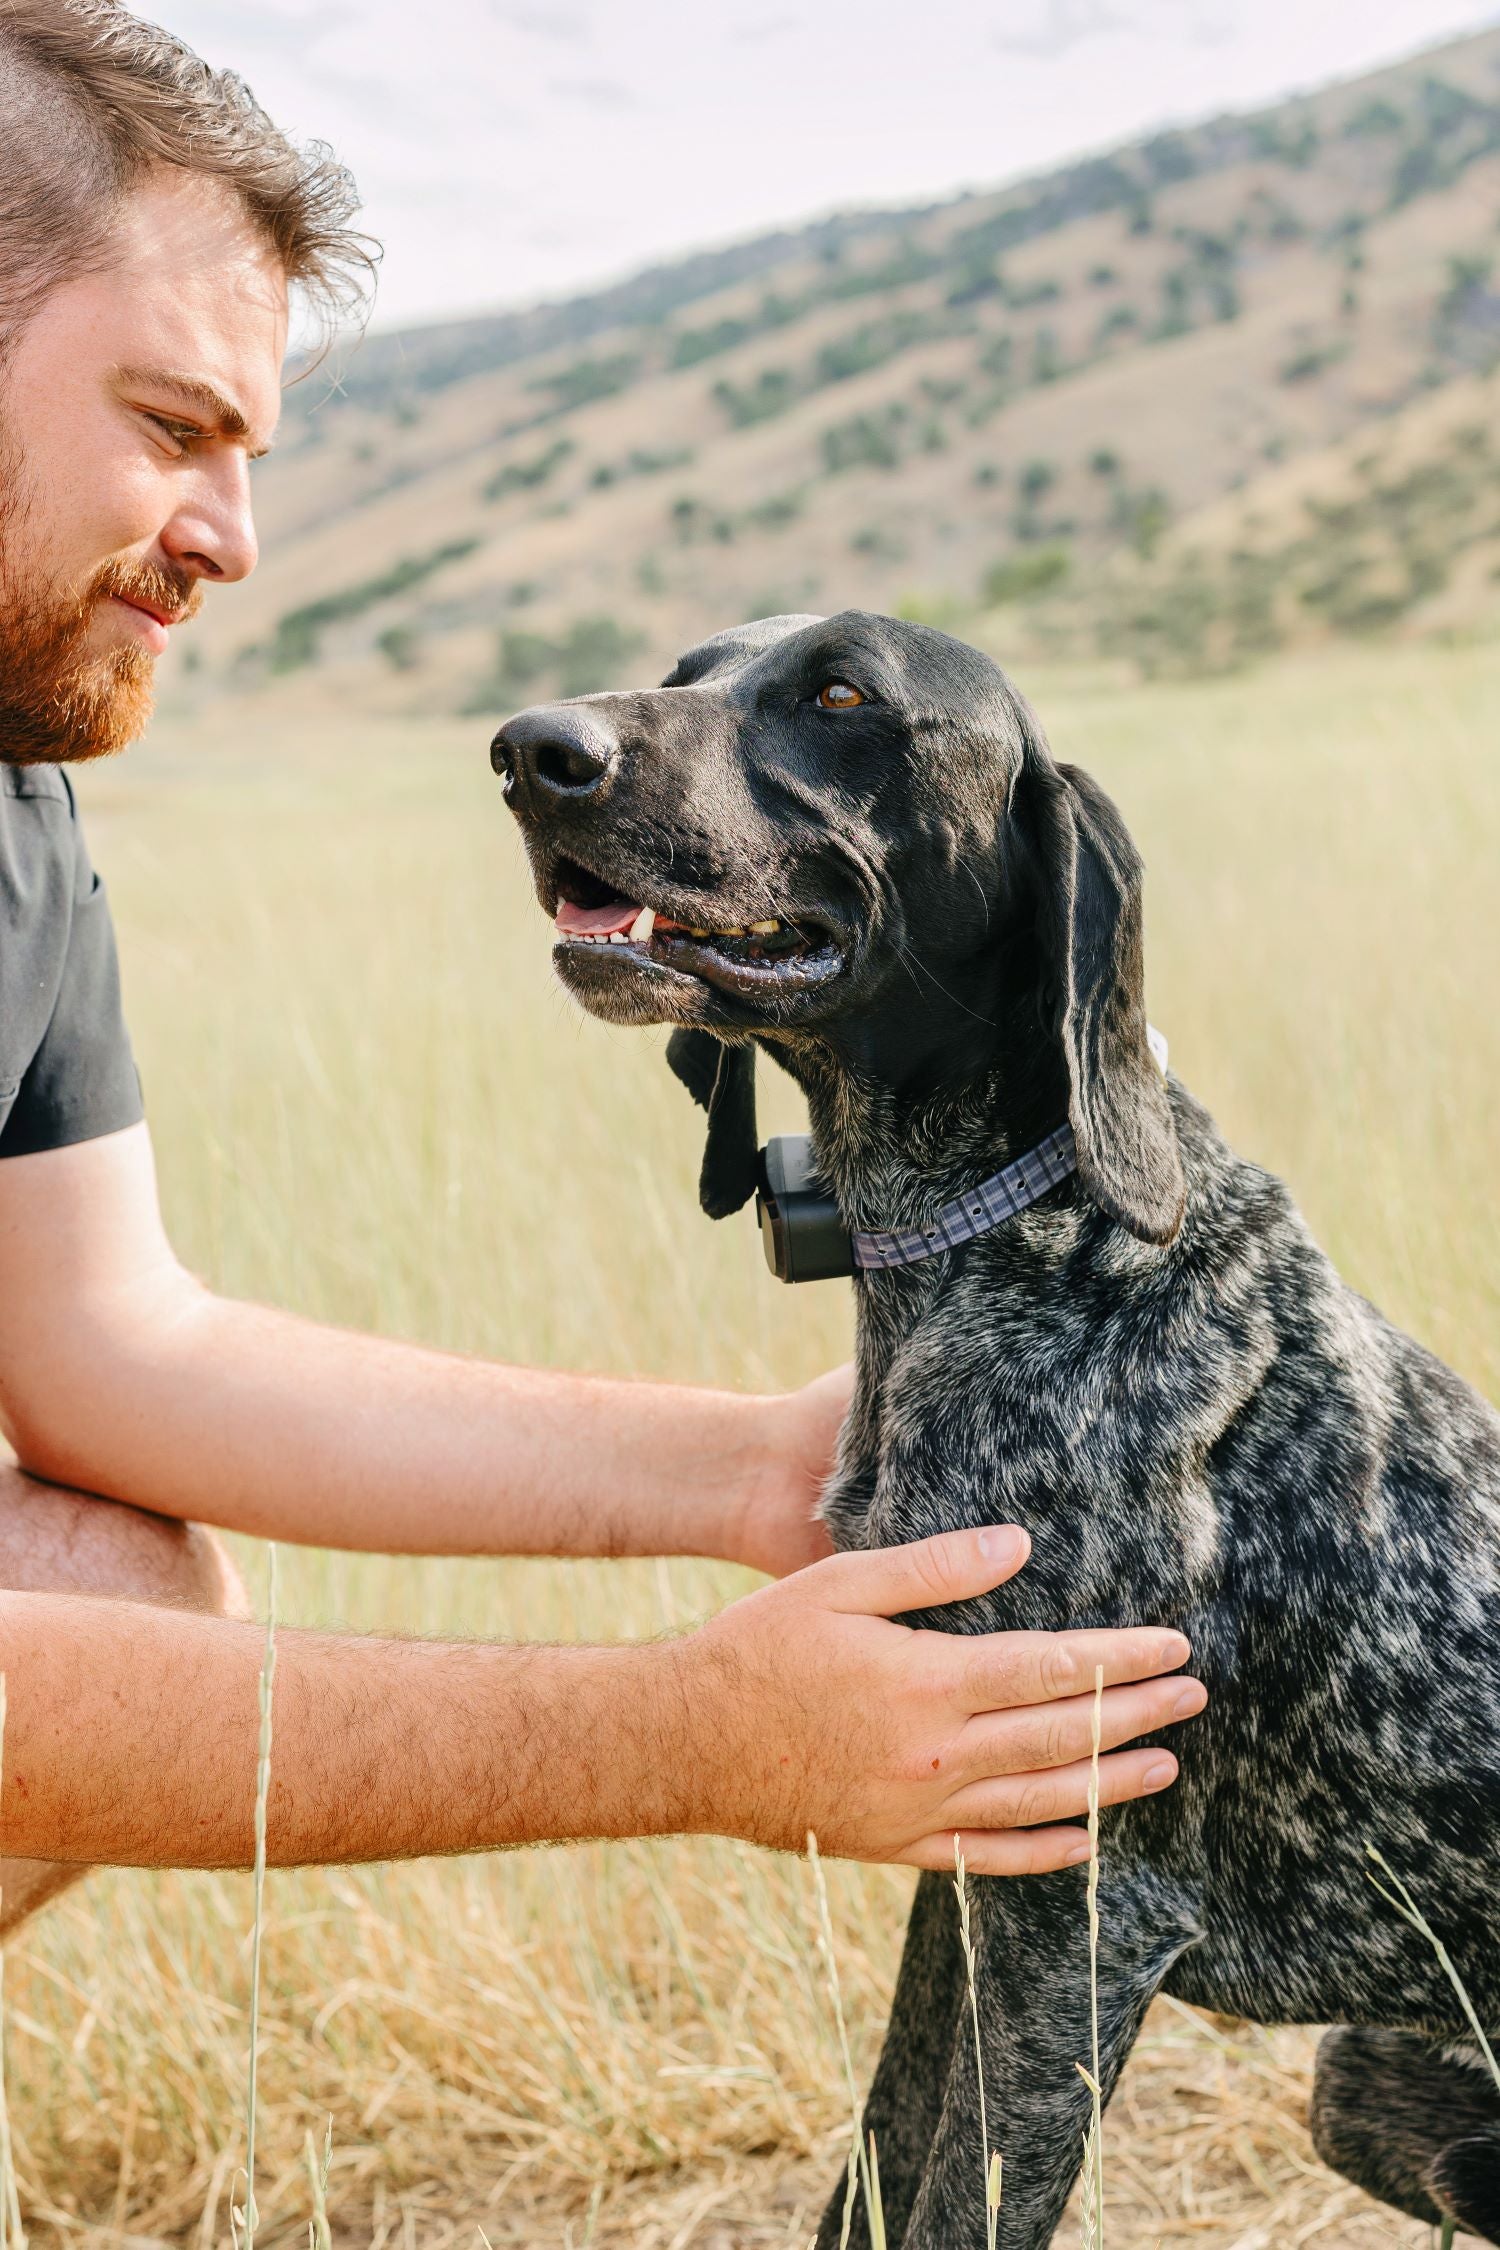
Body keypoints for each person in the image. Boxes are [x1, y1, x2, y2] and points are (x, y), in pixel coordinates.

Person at [0, 0, 1206, 1935]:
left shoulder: (16, 808)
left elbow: (111, 1355)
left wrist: (744, 1471)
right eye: (171, 428)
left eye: (256, 449)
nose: (234, 536)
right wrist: (679, 1739)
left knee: (117, 1582)